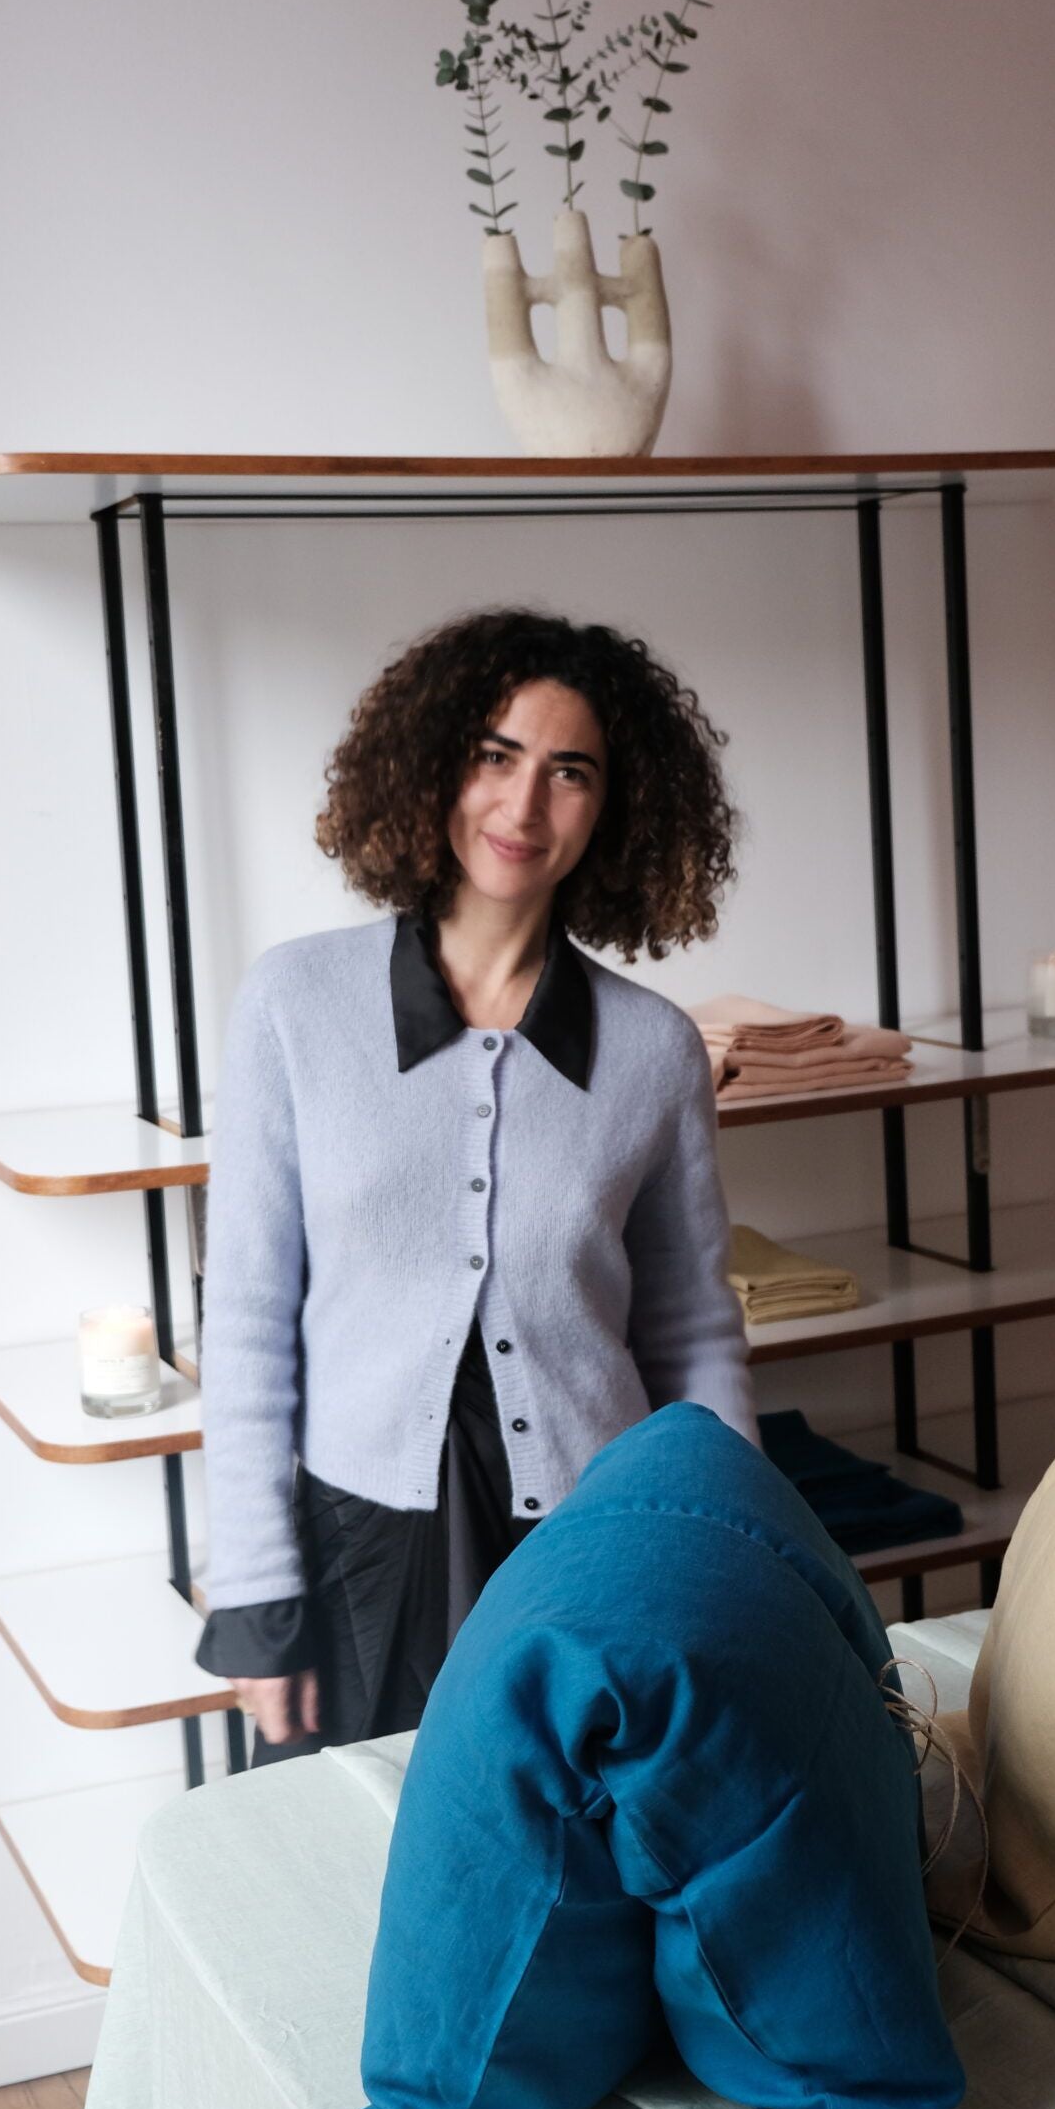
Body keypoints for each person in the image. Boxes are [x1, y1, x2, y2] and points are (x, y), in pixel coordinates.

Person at [193, 606, 760, 1763]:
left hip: (595, 1546)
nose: (523, 805)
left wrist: (734, 1558)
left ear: (614, 807)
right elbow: (248, 1319)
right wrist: (255, 1594)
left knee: (580, 1875)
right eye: (495, 755)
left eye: (570, 772)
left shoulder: (652, 1049)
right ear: (432, 763)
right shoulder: (295, 1006)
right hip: (360, 1552)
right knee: (350, 1876)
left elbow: (694, 1333)